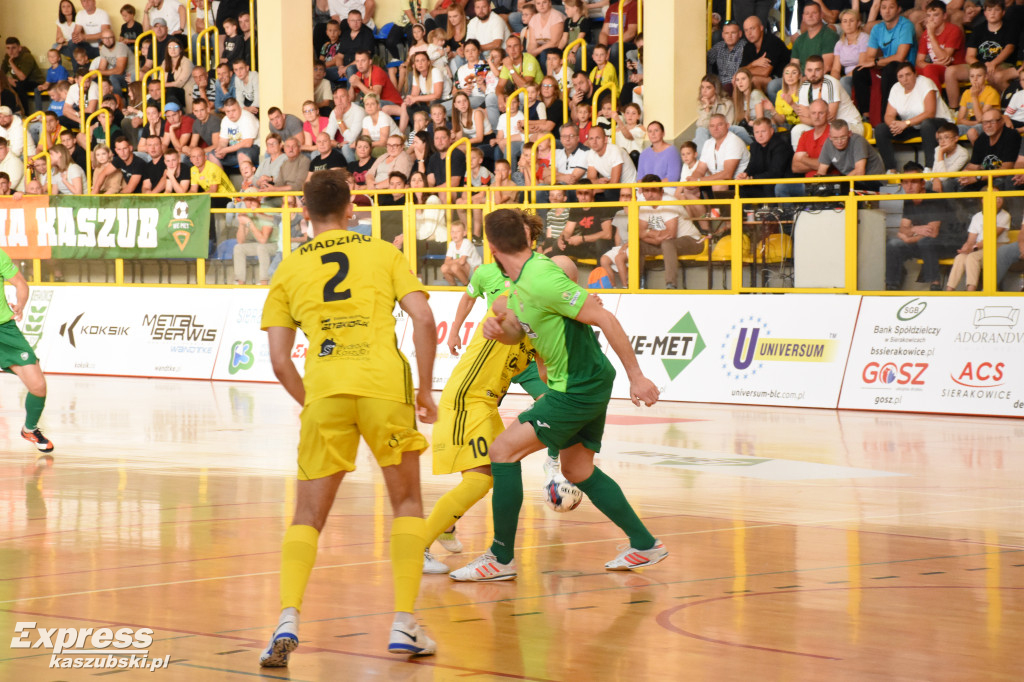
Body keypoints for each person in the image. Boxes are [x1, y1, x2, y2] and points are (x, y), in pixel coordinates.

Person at [258, 169, 439, 667]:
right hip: (385, 387)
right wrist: (424, 389)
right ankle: (405, 622)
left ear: (303, 212)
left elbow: (278, 361)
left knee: (306, 517)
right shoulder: (383, 252)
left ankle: (287, 617)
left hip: (325, 390)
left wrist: (312, 400)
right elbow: (423, 318)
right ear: (351, 208)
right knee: (406, 503)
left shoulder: (288, 267)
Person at [449, 207, 666, 582]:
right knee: (576, 469)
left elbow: (604, 317)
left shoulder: (542, 278)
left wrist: (638, 376)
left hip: (576, 387)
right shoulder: (518, 284)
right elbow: (526, 327)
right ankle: (644, 544)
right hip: (589, 381)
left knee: (502, 451)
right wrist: (505, 332)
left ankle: (500, 558)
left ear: (492, 248)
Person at [0, 248, 55, 453]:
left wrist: (20, 305)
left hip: (4, 330)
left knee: (38, 386)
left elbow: (20, 284)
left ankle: (29, 429)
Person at [886, 163, 956, 291]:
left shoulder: (934, 198)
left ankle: (935, 284)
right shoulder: (906, 201)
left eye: (914, 182)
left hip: (946, 243)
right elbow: (898, 228)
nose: (909, 186)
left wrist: (908, 236)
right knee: (892, 244)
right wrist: (913, 229)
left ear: (922, 183)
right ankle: (892, 285)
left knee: (927, 241)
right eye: (905, 182)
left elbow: (932, 232)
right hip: (920, 243)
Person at [875, 62, 954, 171]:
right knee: (881, 129)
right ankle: (891, 170)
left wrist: (905, 123)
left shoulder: (926, 83)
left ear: (915, 74)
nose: (905, 79)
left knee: (927, 124)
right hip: (913, 127)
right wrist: (894, 125)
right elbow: (889, 115)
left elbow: (929, 113)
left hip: (939, 125)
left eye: (908, 74)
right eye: (900, 76)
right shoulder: (896, 88)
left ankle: (929, 167)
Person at [945, 0, 1016, 106]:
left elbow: (1009, 48)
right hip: (980, 64)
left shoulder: (1010, 28)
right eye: (989, 10)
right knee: (951, 71)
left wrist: (993, 63)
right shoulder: (978, 29)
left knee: (993, 75)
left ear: (1003, 12)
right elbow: (969, 56)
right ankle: (954, 109)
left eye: (996, 10)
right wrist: (983, 67)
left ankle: (1001, 107)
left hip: (1002, 64)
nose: (992, 13)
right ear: (985, 13)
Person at [852, 0, 916, 117]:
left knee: (890, 68)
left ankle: (885, 115)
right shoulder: (877, 28)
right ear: (879, 10)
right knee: (859, 72)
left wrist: (877, 62)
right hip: (886, 65)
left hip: (905, 67)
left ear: (898, 10)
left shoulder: (906, 25)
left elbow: (900, 57)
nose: (887, 11)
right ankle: (866, 115)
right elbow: (869, 57)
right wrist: (875, 62)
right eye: (883, 7)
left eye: (891, 7)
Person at [790, 54, 864, 149]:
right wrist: (817, 117)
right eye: (809, 70)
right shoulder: (804, 87)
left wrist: (809, 113)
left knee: (829, 130)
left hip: (850, 125)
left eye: (817, 70)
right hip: (825, 126)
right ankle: (800, 159)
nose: (813, 74)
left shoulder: (831, 83)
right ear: (805, 71)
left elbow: (829, 118)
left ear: (824, 70)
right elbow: (802, 118)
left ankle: (822, 162)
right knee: (797, 130)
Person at [945, 197, 1010, 291]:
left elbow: (990, 238)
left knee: (972, 257)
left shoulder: (1004, 215)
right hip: (980, 248)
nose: (998, 199)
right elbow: (971, 239)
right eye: (995, 196)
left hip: (997, 247)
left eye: (1000, 196)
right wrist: (967, 247)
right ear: (984, 200)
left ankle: (971, 291)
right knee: (960, 257)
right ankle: (949, 291)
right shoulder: (977, 216)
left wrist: (974, 247)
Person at [776, 99, 830, 198]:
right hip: (807, 185)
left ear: (827, 114)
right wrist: (821, 163)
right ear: (809, 114)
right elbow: (795, 167)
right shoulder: (805, 135)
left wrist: (804, 159)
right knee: (781, 187)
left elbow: (831, 164)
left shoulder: (833, 134)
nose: (817, 117)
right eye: (813, 113)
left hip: (828, 185)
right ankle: (789, 214)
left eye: (821, 113)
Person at [815, 118, 885, 191]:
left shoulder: (858, 141)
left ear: (849, 134)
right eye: (835, 138)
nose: (839, 141)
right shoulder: (828, 143)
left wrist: (841, 183)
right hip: (851, 182)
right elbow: (821, 171)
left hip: (874, 182)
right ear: (830, 137)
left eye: (843, 137)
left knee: (839, 189)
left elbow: (860, 172)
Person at [916, 1, 965, 101]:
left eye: (936, 15)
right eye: (929, 16)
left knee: (929, 70)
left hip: (952, 68)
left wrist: (931, 34)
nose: (931, 19)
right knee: (912, 72)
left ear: (944, 16)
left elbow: (944, 58)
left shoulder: (953, 30)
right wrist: (932, 66)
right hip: (935, 69)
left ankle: (935, 105)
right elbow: (919, 61)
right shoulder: (925, 33)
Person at [738, 117, 792, 199]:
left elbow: (776, 172)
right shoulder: (754, 146)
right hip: (763, 180)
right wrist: (745, 174)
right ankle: (748, 211)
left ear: (771, 131)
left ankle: (772, 211)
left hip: (782, 183)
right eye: (757, 132)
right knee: (741, 187)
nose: (760, 135)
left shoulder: (780, 145)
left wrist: (752, 179)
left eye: (763, 131)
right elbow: (752, 165)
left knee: (768, 185)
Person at [741, 15, 790, 100]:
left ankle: (766, 111)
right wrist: (754, 64)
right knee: (737, 80)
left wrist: (746, 70)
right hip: (769, 79)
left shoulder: (772, 42)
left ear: (761, 28)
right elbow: (740, 70)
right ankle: (743, 111)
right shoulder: (748, 47)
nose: (749, 33)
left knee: (753, 80)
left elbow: (765, 72)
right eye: (746, 30)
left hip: (783, 78)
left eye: (752, 28)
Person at [234, 194, 278, 285]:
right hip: (262, 244)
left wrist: (249, 223)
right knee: (238, 248)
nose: (249, 203)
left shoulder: (267, 210)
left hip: (277, 244)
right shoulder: (247, 212)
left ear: (258, 199)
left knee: (262, 248)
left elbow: (263, 240)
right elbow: (240, 241)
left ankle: (264, 283)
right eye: (247, 200)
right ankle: (240, 284)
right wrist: (242, 224)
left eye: (252, 200)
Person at [955, 61, 999, 143]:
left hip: (988, 125)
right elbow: (960, 120)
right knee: (949, 132)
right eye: (972, 76)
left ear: (985, 77)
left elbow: (981, 119)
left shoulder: (991, 93)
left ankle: (978, 155)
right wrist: (974, 123)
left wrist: (974, 97)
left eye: (979, 76)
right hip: (972, 125)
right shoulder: (966, 93)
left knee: (972, 132)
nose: (975, 79)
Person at [789, 3, 838, 74]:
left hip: (820, 80)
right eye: (807, 13)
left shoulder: (830, 36)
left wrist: (804, 81)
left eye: (814, 13)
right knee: (776, 84)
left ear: (821, 15)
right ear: (803, 17)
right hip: (800, 80)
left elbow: (826, 67)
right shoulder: (799, 40)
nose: (810, 16)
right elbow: (794, 66)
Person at [832, 9, 869, 97]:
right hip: (846, 76)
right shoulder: (839, 44)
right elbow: (835, 69)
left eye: (851, 21)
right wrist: (834, 81)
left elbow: (861, 64)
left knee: (844, 81)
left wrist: (843, 78)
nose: (848, 24)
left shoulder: (864, 38)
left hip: (861, 74)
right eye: (845, 21)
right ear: (841, 25)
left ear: (858, 23)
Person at [2, 38, 45, 111]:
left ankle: (24, 113)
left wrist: (11, 62)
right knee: (4, 87)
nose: (10, 51)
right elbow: (1, 74)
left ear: (19, 48)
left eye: (13, 48)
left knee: (20, 85)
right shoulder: (7, 57)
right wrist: (9, 80)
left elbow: (22, 77)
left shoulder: (26, 56)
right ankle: (6, 112)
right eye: (8, 48)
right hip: (18, 82)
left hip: (35, 82)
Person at [706, 21, 746, 89]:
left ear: (740, 34)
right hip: (718, 86)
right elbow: (706, 59)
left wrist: (716, 82)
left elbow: (737, 76)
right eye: (726, 33)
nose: (730, 36)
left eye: (733, 33)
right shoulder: (719, 46)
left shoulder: (744, 47)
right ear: (722, 35)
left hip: (736, 86)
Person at [440, 220, 480, 285]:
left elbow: (462, 262)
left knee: (454, 267)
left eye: (458, 231)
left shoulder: (466, 243)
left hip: (473, 270)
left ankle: (467, 285)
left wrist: (453, 261)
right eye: (452, 232)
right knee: (443, 267)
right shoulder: (451, 244)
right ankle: (453, 286)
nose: (454, 234)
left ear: (464, 233)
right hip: (460, 269)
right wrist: (458, 260)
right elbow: (446, 262)